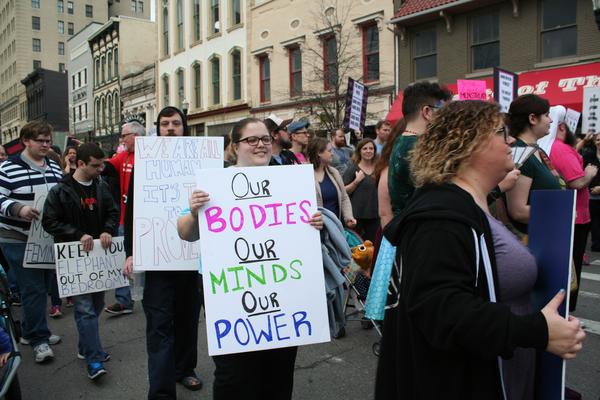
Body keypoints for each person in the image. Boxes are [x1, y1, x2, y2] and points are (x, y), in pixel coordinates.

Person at [375, 100, 586, 400]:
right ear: (469, 143)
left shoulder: (464, 204)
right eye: (501, 132)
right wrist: (535, 330)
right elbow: (442, 310)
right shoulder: (441, 217)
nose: (511, 139)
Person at [177, 117, 324, 399]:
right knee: (235, 375)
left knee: (279, 371)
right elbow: (185, 233)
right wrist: (195, 212)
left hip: (281, 291)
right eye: (251, 140)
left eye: (266, 139)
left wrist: (314, 222)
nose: (260, 145)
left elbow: (299, 233)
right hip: (229, 292)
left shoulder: (288, 180)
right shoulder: (216, 182)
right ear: (235, 146)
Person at [123, 106, 204, 398]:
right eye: (165, 123)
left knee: (187, 320)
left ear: (185, 127)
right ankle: (160, 391)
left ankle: (185, 369)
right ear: (157, 128)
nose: (170, 128)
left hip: (193, 257)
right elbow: (131, 210)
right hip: (157, 259)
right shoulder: (144, 162)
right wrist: (131, 252)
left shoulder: (203, 159)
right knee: (159, 326)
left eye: (176, 123)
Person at [42, 143, 119, 380]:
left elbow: (113, 212)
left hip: (98, 257)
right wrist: (77, 234)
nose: (101, 169)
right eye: (96, 165)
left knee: (96, 305)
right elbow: (49, 221)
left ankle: (86, 347)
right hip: (75, 259)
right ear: (81, 163)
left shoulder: (101, 186)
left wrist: (107, 229)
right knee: (85, 310)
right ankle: (94, 360)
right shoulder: (60, 190)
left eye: (102, 164)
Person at [0, 120, 63, 363]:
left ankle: (30, 330)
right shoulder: (8, 168)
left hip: (46, 237)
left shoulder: (54, 167)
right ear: (26, 141)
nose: (46, 145)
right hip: (17, 237)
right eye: (40, 141)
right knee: (33, 288)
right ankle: (39, 340)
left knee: (42, 286)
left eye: (48, 140)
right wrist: (18, 209)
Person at [550, 118, 597, 312]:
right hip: (574, 217)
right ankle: (565, 308)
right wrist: (589, 173)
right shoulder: (560, 148)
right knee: (571, 267)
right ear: (562, 127)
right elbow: (576, 182)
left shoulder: (560, 147)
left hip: (573, 215)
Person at [388, 81, 452, 217]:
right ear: (427, 112)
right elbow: (446, 200)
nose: (446, 119)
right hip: (422, 230)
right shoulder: (418, 148)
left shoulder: (402, 142)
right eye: (443, 112)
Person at [103, 121, 145, 315]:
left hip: (146, 218)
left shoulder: (150, 154)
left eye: (124, 135)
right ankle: (124, 300)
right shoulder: (124, 156)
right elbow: (103, 167)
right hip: (125, 219)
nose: (121, 139)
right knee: (123, 260)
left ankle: (146, 296)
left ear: (135, 135)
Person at [505, 94, 562, 234]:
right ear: (532, 119)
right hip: (531, 240)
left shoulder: (536, 150)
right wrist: (562, 213)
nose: (551, 120)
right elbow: (518, 211)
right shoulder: (519, 154)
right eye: (547, 115)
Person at [307, 137, 356, 229]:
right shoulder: (305, 175)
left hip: (336, 228)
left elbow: (344, 197)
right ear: (319, 153)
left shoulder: (334, 172)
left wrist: (348, 217)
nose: (333, 154)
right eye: (329, 151)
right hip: (315, 229)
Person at [343, 138, 379, 241]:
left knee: (373, 247)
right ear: (359, 151)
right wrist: (356, 181)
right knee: (357, 247)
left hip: (375, 216)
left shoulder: (379, 169)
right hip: (356, 217)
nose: (368, 151)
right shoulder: (352, 169)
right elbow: (343, 191)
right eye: (365, 148)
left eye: (371, 148)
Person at [584, 134, 600, 252]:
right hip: (590, 195)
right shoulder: (588, 156)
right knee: (591, 222)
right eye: (598, 139)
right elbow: (581, 173)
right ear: (595, 142)